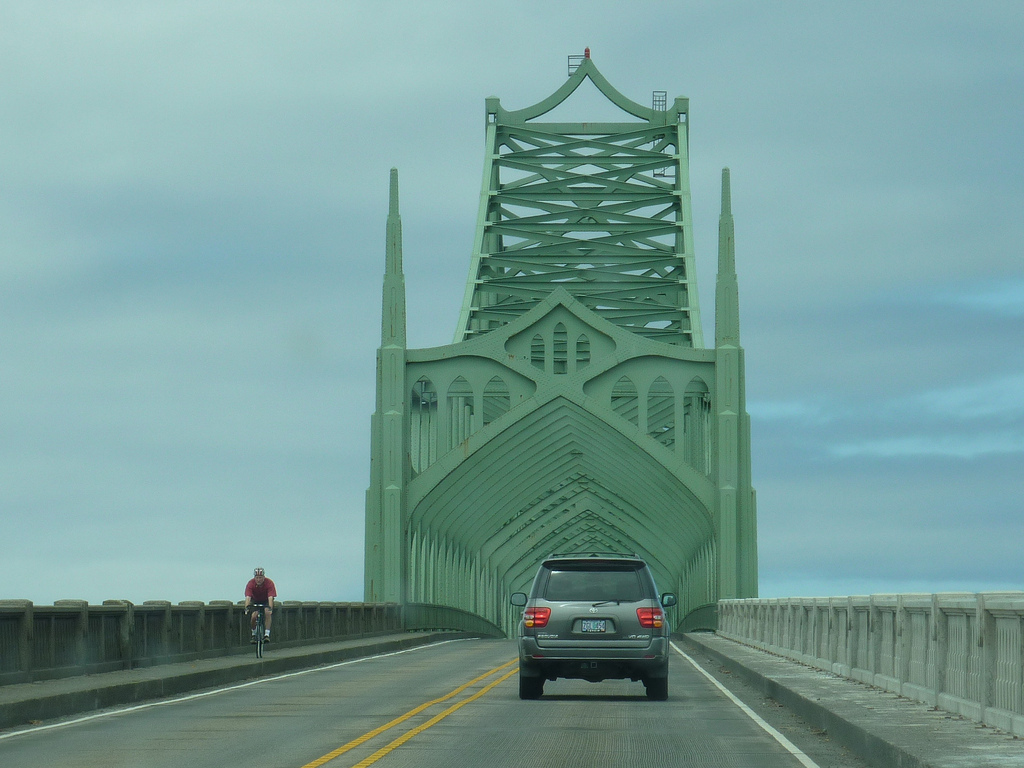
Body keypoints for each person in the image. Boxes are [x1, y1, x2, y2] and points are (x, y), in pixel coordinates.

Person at [244, 567, 277, 643]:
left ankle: (266, 635)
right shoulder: (250, 583)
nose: (258, 580)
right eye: (257, 578)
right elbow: (248, 597)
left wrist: (270, 608)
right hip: (255, 600)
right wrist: (246, 608)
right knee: (253, 616)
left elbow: (270, 598)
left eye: (260, 578)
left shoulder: (269, 583)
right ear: (254, 578)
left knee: (267, 612)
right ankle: (254, 634)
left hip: (266, 600)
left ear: (264, 577)